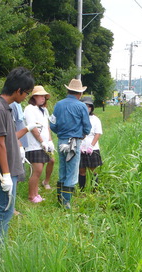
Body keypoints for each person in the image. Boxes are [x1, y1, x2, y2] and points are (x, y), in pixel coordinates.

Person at [0, 67, 35, 242]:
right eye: (26, 93)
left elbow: (10, 138)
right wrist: (5, 175)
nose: (25, 97)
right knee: (4, 211)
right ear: (18, 90)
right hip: (5, 172)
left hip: (10, 170)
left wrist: (28, 128)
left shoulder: (5, 108)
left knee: (8, 210)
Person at [49, 78, 91, 208]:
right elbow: (87, 127)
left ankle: (60, 199)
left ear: (68, 90)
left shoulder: (58, 104)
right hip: (74, 141)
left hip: (61, 140)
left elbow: (52, 124)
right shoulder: (82, 106)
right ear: (79, 93)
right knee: (72, 172)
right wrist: (83, 134)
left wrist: (60, 132)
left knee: (62, 169)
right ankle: (66, 203)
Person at [23, 85, 55, 203]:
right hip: (33, 145)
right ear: (34, 97)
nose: (43, 98)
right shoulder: (29, 109)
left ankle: (36, 194)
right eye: (40, 96)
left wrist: (50, 141)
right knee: (37, 170)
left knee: (42, 168)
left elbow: (47, 127)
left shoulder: (44, 110)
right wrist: (41, 141)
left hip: (44, 144)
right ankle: (31, 196)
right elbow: (32, 127)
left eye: (44, 96)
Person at [78, 97, 103, 191]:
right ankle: (81, 189)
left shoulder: (95, 119)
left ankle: (94, 189)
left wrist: (91, 146)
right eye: (85, 106)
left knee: (93, 170)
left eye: (89, 106)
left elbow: (98, 133)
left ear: (92, 108)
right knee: (81, 170)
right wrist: (79, 145)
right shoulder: (78, 118)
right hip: (80, 147)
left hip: (92, 147)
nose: (87, 108)